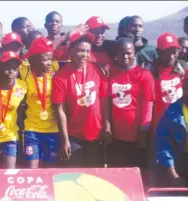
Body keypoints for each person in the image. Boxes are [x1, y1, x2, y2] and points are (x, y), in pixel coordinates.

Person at [52, 32, 107, 167]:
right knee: (73, 177)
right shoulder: (61, 77)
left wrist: (107, 127)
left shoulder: (98, 70)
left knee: (94, 178)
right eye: (81, 51)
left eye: (87, 51)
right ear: (71, 51)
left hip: (96, 135)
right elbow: (60, 111)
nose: (84, 55)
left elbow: (105, 101)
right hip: (74, 136)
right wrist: (65, 140)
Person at [106, 38, 155, 168]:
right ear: (116, 54)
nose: (125, 56)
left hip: (137, 136)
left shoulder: (144, 75)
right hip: (115, 136)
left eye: (129, 53)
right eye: (121, 53)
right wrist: (108, 128)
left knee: (137, 174)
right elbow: (107, 103)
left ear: (134, 52)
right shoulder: (109, 72)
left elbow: (148, 105)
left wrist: (144, 132)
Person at [0, 51, 27, 169]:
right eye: (7, 68)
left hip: (10, 135)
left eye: (14, 69)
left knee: (10, 172)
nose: (11, 72)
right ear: (0, 67)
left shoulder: (22, 87)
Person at [23, 37, 60, 169]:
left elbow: (52, 48)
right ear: (34, 60)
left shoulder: (54, 70)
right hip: (32, 130)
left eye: (50, 59)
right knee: (32, 169)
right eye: (45, 60)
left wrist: (67, 36)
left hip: (53, 130)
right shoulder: (25, 72)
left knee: (50, 171)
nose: (49, 63)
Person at [156, 74, 188, 187]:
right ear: (184, 86)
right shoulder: (172, 112)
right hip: (179, 162)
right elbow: (163, 145)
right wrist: (173, 174)